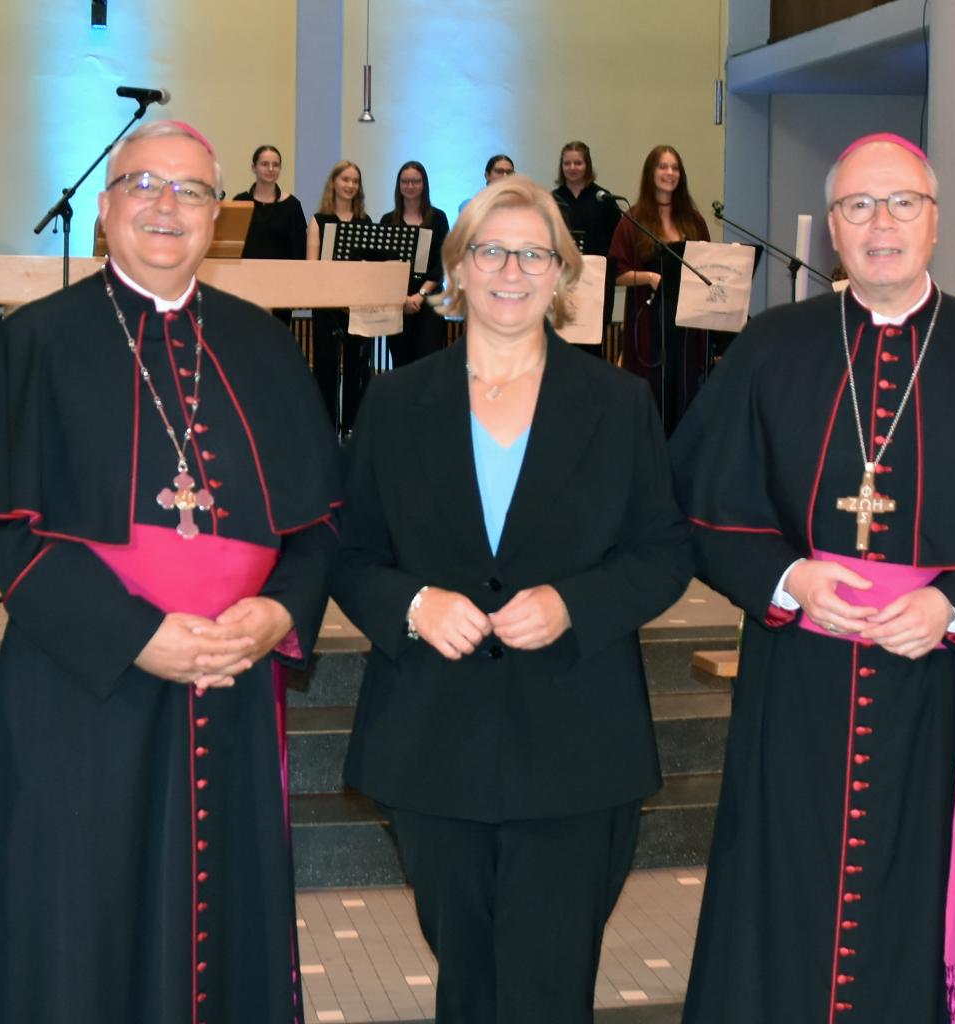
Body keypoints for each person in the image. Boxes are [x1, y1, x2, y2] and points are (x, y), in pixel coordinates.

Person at [670, 133, 955, 1023]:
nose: (881, 224)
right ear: (832, 228)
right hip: (801, 679)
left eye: (902, 203)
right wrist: (788, 578)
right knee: (783, 880)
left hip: (938, 678)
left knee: (929, 887)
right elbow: (700, 503)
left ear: (936, 220)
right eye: (859, 207)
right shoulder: (772, 344)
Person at [0, 119, 341, 1022]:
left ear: (219, 216)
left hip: (233, 686)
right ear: (104, 206)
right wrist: (140, 636)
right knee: (77, 923)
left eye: (192, 191)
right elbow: (12, 535)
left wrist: (279, 616)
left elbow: (321, 528)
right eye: (144, 185)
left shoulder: (263, 346)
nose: (167, 207)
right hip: (83, 692)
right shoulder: (35, 342)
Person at [335, 174, 692, 1023]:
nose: (510, 269)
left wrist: (575, 603)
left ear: (565, 277)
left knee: (547, 984)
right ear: (457, 269)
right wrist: (415, 604)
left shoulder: (617, 403)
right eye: (490, 250)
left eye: (534, 253)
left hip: (575, 740)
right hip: (434, 738)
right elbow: (348, 555)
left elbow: (665, 552)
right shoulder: (394, 403)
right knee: (466, 978)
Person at [608, 145, 716, 434]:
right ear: (650, 173)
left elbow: (709, 265)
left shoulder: (693, 220)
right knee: (653, 391)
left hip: (687, 322)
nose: (669, 173)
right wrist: (650, 278)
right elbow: (617, 274)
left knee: (684, 391)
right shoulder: (633, 219)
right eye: (663, 167)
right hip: (649, 320)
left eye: (675, 168)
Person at [308, 159, 374, 431]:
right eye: (345, 179)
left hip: (358, 306)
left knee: (358, 368)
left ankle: (352, 427)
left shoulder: (365, 221)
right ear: (333, 183)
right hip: (327, 305)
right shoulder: (319, 221)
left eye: (354, 181)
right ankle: (326, 427)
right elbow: (312, 267)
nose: (350, 185)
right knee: (326, 367)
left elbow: (370, 267)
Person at [378, 160, 450, 367]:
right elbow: (383, 267)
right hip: (397, 302)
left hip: (429, 300)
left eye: (415, 181)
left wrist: (420, 295)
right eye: (405, 181)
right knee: (401, 362)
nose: (410, 186)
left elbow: (443, 261)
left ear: (424, 184)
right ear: (399, 185)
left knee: (428, 363)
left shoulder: (438, 218)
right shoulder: (387, 220)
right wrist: (403, 298)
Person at [233, 144, 309, 262]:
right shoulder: (240, 201)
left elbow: (300, 250)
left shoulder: (292, 205)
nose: (271, 169)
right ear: (254, 167)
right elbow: (232, 246)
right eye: (264, 164)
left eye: (276, 165)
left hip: (283, 276)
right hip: (245, 274)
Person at [551, 141, 619, 258]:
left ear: (587, 165)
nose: (572, 168)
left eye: (578, 163)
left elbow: (616, 240)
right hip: (562, 267)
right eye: (567, 163)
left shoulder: (603, 198)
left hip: (597, 268)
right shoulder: (552, 199)